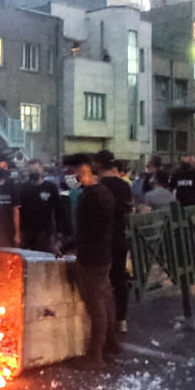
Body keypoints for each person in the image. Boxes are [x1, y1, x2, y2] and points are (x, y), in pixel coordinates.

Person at [62, 153, 119, 367]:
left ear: (82, 170)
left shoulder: (91, 197)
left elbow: (87, 231)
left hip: (91, 258)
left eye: (70, 172)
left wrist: (71, 248)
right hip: (102, 254)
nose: (68, 177)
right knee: (105, 300)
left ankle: (95, 355)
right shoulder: (103, 192)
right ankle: (111, 344)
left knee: (95, 306)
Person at [93, 151, 133, 333]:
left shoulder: (97, 186)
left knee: (99, 281)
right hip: (119, 237)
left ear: (98, 165)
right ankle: (121, 319)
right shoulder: (124, 186)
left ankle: (103, 322)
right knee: (119, 278)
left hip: (101, 239)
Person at [18, 159, 62, 252]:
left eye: (36, 169)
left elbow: (58, 209)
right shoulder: (23, 188)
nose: (34, 172)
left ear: (42, 170)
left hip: (45, 231)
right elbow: (18, 211)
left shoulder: (50, 187)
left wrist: (59, 231)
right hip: (27, 231)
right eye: (31, 170)